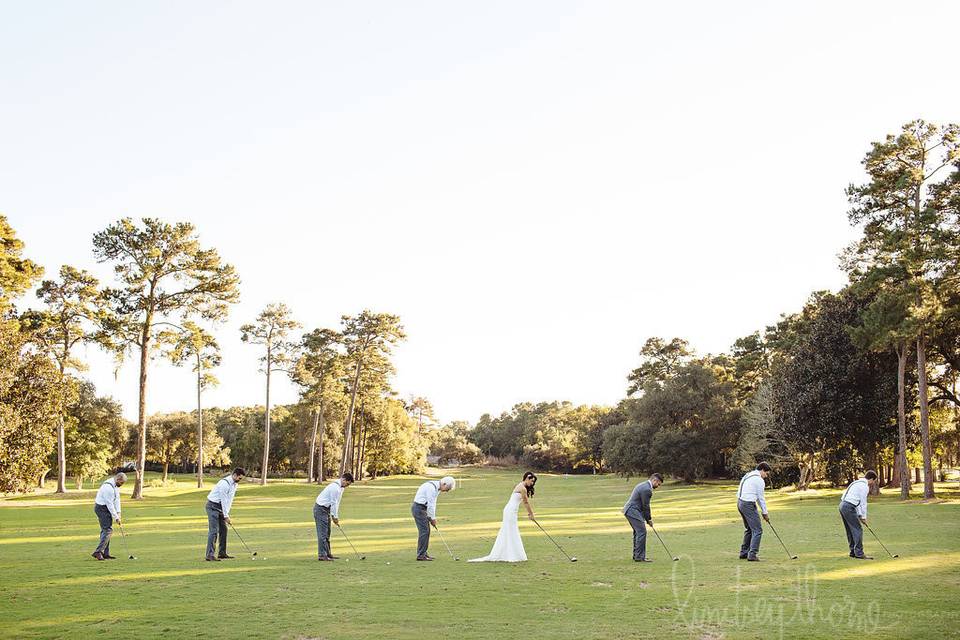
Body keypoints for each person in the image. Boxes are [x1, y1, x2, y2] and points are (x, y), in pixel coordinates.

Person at [468, 472, 537, 563]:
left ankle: (511, 553)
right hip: (510, 511)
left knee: (511, 530)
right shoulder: (522, 488)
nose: (532, 483)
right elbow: (526, 502)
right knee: (511, 530)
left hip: (511, 510)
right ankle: (511, 555)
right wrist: (531, 514)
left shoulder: (520, 486)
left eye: (533, 482)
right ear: (527, 479)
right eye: (531, 481)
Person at [205, 467, 246, 561]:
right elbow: (223, 500)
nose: (240, 480)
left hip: (221, 508)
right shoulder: (224, 484)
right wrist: (226, 515)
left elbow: (229, 500)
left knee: (224, 529)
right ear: (235, 475)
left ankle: (222, 553)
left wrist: (227, 514)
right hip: (212, 506)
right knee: (214, 531)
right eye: (239, 478)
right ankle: (209, 555)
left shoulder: (234, 484)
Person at [411, 476, 455, 560]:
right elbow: (430, 504)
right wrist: (433, 519)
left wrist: (432, 518)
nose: (446, 491)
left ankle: (423, 553)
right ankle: (421, 555)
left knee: (426, 531)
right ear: (444, 484)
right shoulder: (431, 487)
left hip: (423, 509)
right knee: (424, 531)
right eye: (447, 489)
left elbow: (433, 504)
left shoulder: (436, 488)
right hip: (419, 508)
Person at [622, 473, 663, 562]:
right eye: (658, 484)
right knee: (641, 532)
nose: (658, 486)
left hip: (630, 510)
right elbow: (646, 506)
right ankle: (639, 557)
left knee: (638, 532)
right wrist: (649, 519)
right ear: (654, 480)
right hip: (632, 511)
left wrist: (647, 519)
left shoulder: (643, 484)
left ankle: (637, 555)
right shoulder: (647, 489)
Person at [315, 472, 354, 561]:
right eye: (347, 483)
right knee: (322, 534)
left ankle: (328, 554)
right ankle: (322, 555)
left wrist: (335, 516)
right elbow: (333, 503)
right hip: (320, 509)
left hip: (326, 510)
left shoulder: (341, 488)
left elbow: (337, 502)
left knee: (327, 533)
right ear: (343, 480)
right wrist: (335, 517)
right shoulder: (335, 488)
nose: (347, 486)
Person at [839, 470, 878, 560]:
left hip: (842, 505)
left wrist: (860, 516)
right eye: (873, 481)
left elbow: (856, 501)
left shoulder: (856, 483)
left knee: (850, 530)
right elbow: (863, 503)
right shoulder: (864, 486)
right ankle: (859, 553)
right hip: (848, 506)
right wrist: (863, 517)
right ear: (871, 479)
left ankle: (853, 552)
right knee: (858, 529)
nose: (872, 483)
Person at [737, 462, 771, 561]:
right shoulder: (759, 480)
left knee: (749, 529)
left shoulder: (748, 475)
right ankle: (752, 554)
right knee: (757, 530)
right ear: (762, 470)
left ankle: (744, 553)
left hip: (740, 502)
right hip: (748, 504)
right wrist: (765, 513)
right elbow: (761, 498)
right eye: (766, 473)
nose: (766, 476)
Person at [92, 472, 126, 560]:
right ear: (118, 479)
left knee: (106, 530)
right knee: (108, 530)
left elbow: (117, 499)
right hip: (101, 508)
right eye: (121, 483)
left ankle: (105, 553)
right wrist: (116, 518)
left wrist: (119, 513)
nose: (122, 485)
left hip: (105, 508)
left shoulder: (115, 486)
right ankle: (98, 552)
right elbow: (109, 504)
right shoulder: (108, 487)